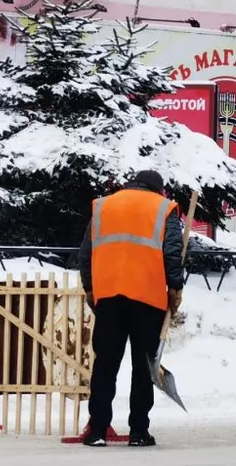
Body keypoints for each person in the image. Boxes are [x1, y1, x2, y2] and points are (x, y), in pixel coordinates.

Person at [78, 169, 185, 447]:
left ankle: (97, 430)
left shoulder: (103, 206)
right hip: (147, 298)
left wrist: (90, 287)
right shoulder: (164, 208)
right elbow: (172, 250)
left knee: (105, 365)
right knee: (143, 366)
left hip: (109, 297)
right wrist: (175, 286)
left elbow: (85, 251)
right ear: (158, 190)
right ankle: (138, 431)